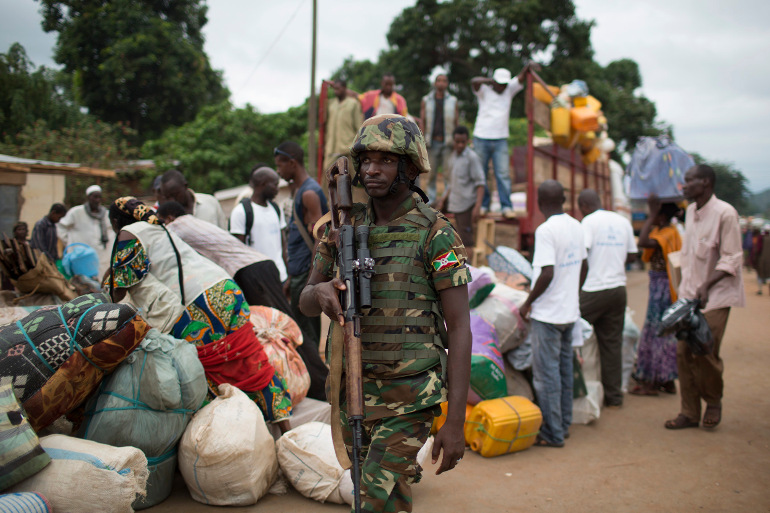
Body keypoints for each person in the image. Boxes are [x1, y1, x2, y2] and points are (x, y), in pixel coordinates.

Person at [299, 114, 471, 513]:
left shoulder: (435, 232)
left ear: (409, 168)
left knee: (372, 500)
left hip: (411, 396)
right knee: (382, 499)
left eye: (386, 160)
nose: (372, 170)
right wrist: (321, 292)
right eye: (366, 160)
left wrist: (456, 420)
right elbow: (305, 299)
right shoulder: (342, 226)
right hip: (355, 390)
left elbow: (459, 327)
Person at [106, 197, 292, 432]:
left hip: (198, 303)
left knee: (203, 369)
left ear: (115, 221)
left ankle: (227, 434)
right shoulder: (159, 227)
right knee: (249, 356)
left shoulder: (128, 234)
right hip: (226, 288)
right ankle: (285, 429)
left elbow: (120, 288)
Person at [157, 200, 330, 401]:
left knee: (279, 334)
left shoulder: (175, 227)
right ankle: (314, 384)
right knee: (283, 330)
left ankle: (319, 386)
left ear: (168, 218)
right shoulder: (191, 222)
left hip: (250, 271)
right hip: (257, 267)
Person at [664, 165, 745, 430]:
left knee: (705, 351)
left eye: (689, 181)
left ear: (706, 182)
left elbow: (732, 257)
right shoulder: (691, 211)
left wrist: (708, 284)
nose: (684, 186)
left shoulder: (725, 214)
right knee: (682, 352)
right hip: (690, 296)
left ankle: (713, 401)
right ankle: (689, 412)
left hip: (716, 297)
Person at [519, 180, 587, 447]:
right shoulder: (576, 225)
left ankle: (552, 434)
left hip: (547, 315)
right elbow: (584, 266)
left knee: (546, 376)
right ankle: (563, 425)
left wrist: (527, 303)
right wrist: (572, 292)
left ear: (539, 202)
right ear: (564, 200)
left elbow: (547, 272)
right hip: (569, 313)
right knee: (563, 370)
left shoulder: (545, 230)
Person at [577, 189, 638, 407]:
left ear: (583, 206)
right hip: (618, 289)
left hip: (594, 289)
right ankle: (614, 396)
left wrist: (577, 291)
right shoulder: (622, 222)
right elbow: (632, 255)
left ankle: (573, 391)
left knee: (568, 329)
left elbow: (582, 258)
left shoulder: (588, 222)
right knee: (612, 343)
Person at [274, 141, 329, 350]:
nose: (278, 171)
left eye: (280, 166)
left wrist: (309, 283)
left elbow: (319, 238)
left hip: (306, 275)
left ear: (292, 162)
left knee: (308, 340)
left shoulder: (309, 193)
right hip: (298, 275)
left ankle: (317, 381)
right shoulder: (301, 191)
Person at [471, 64, 538, 217]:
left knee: (503, 174)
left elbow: (521, 77)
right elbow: (474, 81)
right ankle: (483, 204)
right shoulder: (484, 91)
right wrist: (491, 81)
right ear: (493, 82)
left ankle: (506, 206)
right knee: (482, 173)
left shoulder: (509, 89)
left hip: (500, 138)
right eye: (499, 84)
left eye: (504, 84)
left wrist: (527, 67)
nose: (502, 87)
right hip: (481, 137)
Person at [631, 198, 683, 396]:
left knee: (656, 332)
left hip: (663, 287)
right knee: (665, 331)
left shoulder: (668, 233)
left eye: (654, 214)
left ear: (661, 215)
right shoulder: (664, 232)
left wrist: (651, 215)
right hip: (660, 284)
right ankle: (666, 379)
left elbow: (643, 242)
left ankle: (652, 382)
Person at [229, 165, 288, 282]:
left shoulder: (276, 209)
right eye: (275, 185)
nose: (277, 189)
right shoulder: (241, 212)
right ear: (263, 184)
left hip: (280, 277)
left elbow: (282, 244)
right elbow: (237, 252)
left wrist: (287, 274)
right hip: (257, 281)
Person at [434, 125, 485, 247]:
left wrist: (477, 206)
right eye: (458, 142)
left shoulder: (472, 158)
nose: (460, 145)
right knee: (431, 212)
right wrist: (443, 200)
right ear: (453, 141)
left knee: (465, 240)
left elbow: (481, 183)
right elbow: (451, 184)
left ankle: (468, 265)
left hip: (466, 204)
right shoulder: (452, 158)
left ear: (468, 141)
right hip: (454, 200)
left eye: (463, 142)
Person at [419, 73, 459, 202]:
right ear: (435, 83)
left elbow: (456, 121)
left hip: (447, 142)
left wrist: (456, 140)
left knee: (448, 173)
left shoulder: (453, 101)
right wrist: (422, 139)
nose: (441, 83)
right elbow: (422, 120)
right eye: (439, 80)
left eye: (444, 81)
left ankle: (447, 199)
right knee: (431, 174)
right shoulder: (426, 100)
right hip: (432, 141)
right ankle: (431, 199)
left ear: (447, 84)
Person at [57, 184, 113, 274]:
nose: (97, 200)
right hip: (81, 255)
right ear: (88, 197)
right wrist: (69, 242)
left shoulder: (105, 214)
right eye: (95, 197)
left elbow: (112, 230)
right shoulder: (76, 212)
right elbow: (61, 226)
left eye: (99, 197)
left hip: (101, 254)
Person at [158, 169, 227, 229]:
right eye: (167, 197)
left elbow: (224, 232)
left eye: (175, 195)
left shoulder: (210, 202)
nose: (172, 200)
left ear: (185, 186)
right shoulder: (167, 217)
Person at [324, 79, 363, 171]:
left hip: (348, 148)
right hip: (332, 149)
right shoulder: (331, 104)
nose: (336, 91)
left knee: (352, 178)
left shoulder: (353, 104)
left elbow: (359, 127)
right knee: (328, 174)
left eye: (338, 89)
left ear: (345, 88)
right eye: (335, 89)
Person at [757, 225, 770, 295]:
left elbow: (758, 249)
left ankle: (760, 290)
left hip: (762, 259)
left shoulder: (761, 238)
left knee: (760, 275)